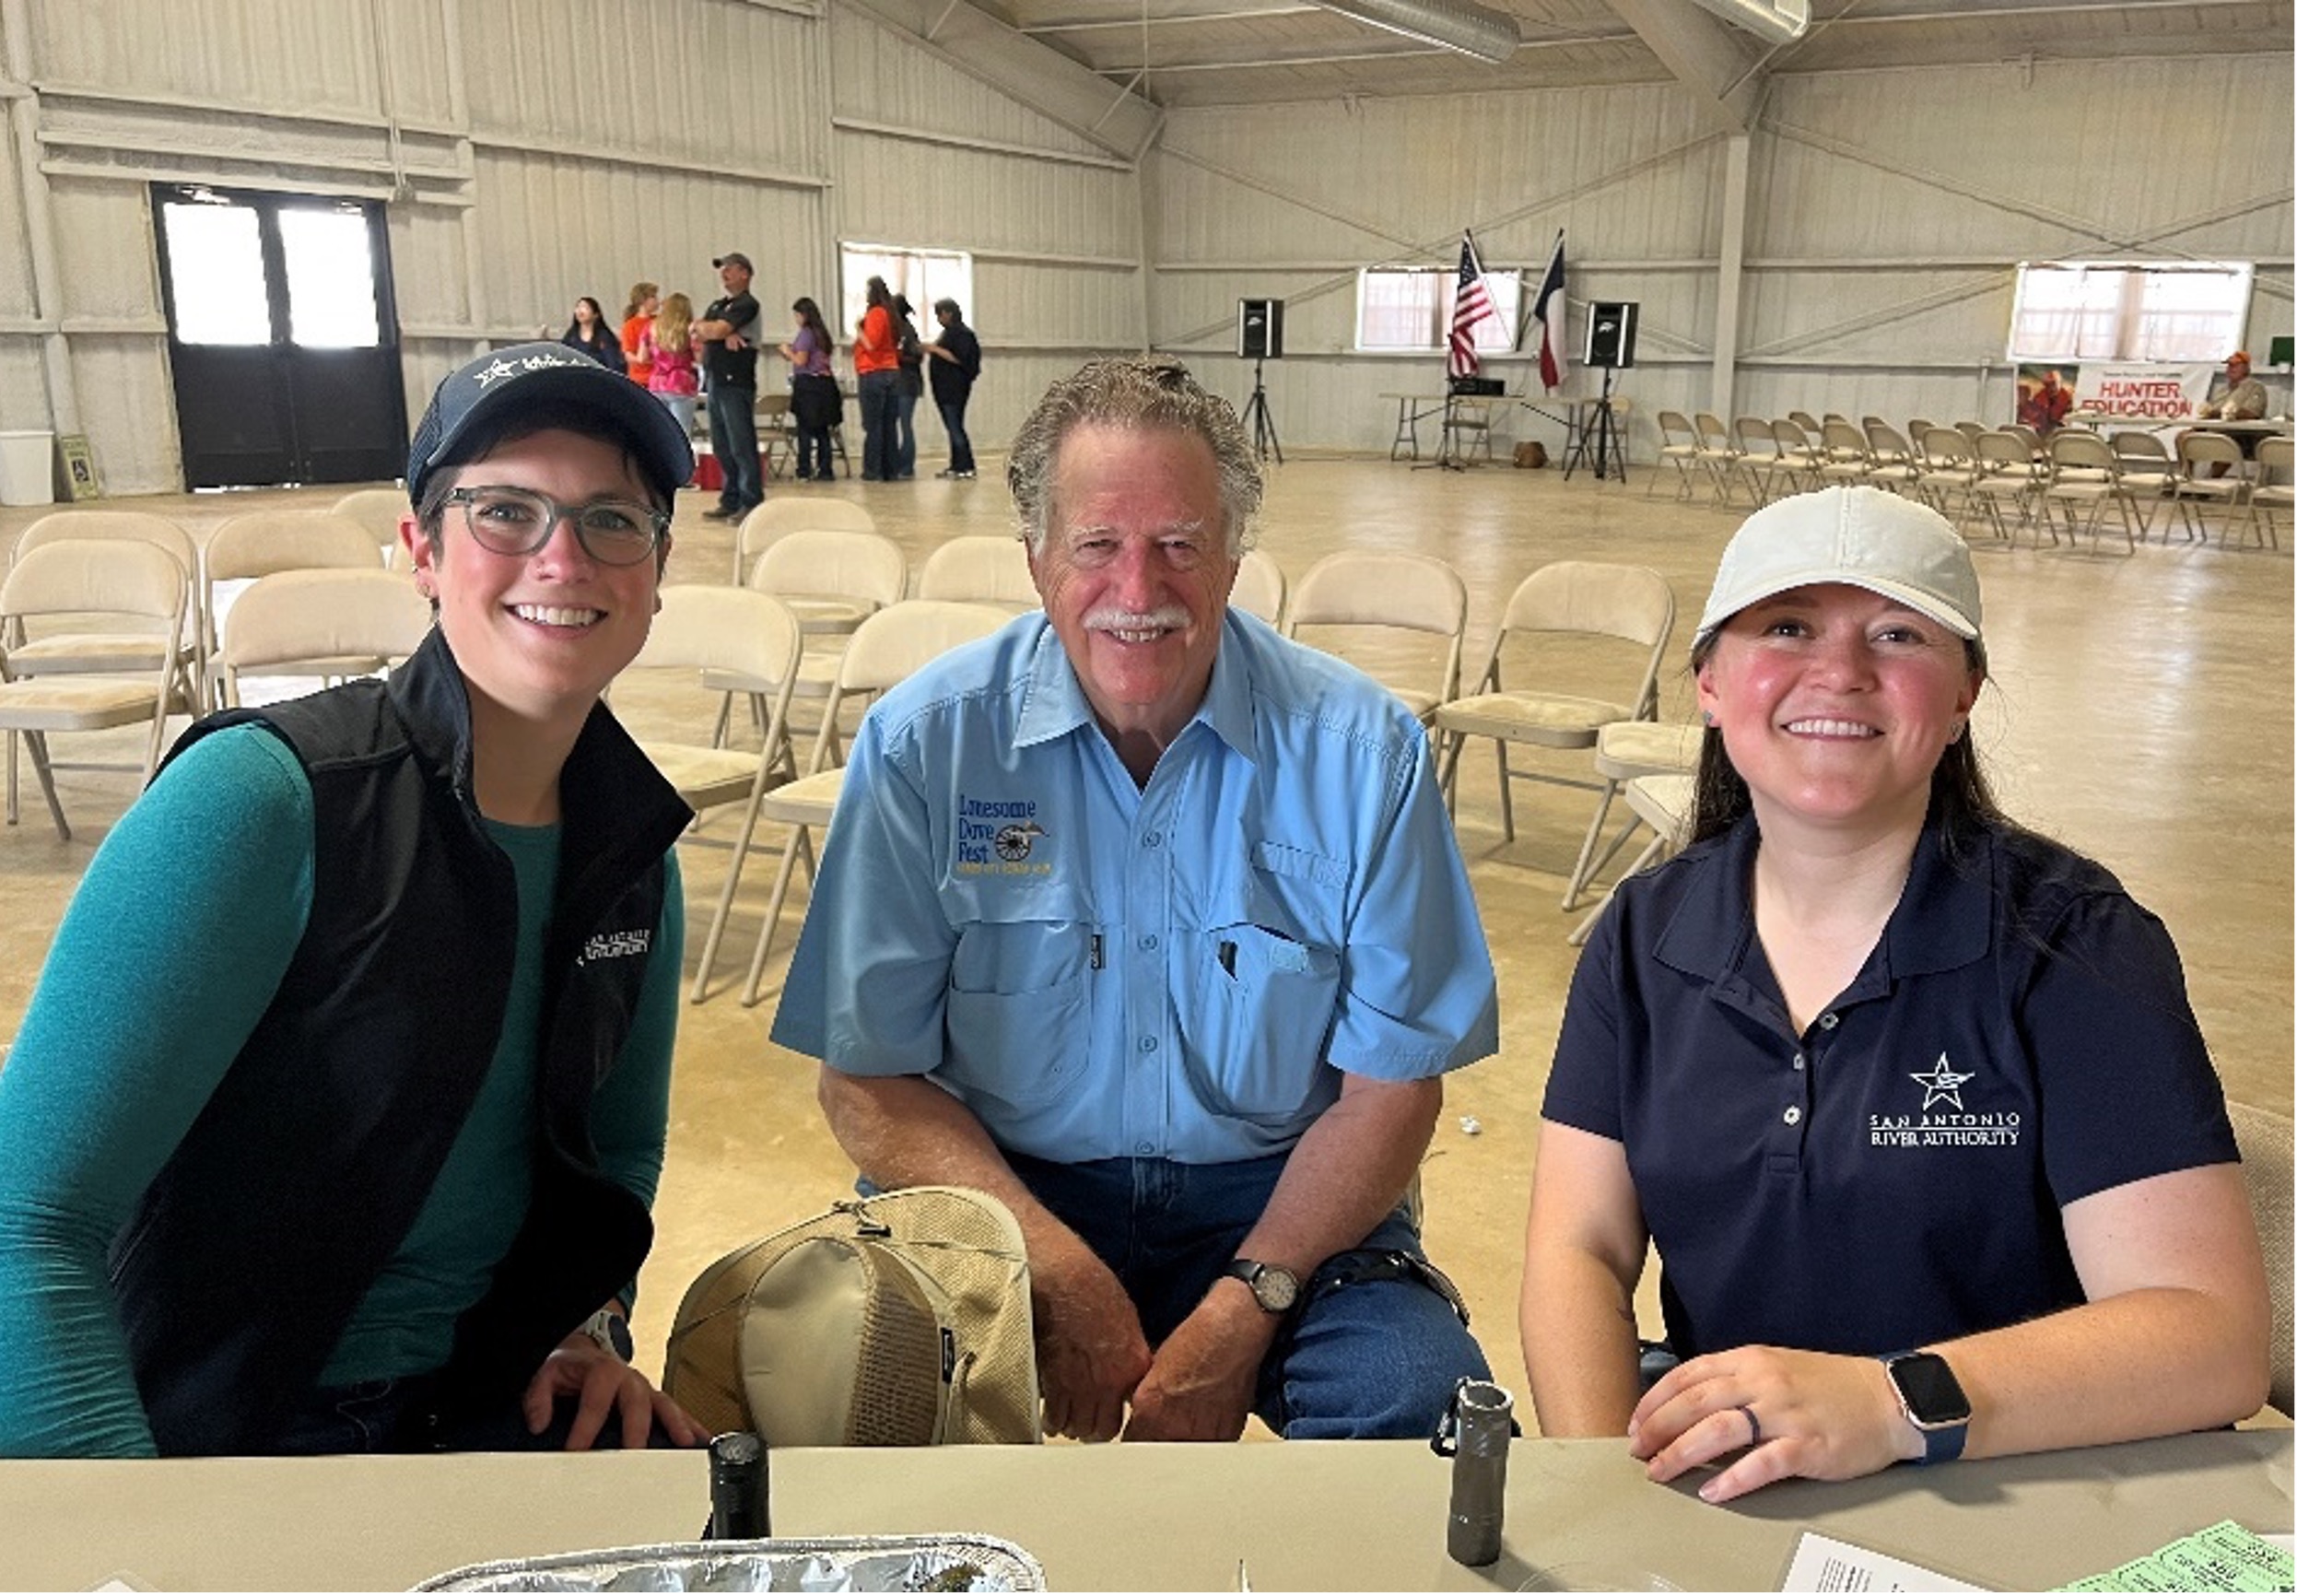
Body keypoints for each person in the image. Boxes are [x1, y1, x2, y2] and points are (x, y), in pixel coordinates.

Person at [0, 343, 710, 1460]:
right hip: (243, 1425)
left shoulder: (631, 848)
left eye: (611, 519)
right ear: (421, 550)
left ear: (657, 573)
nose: (562, 557)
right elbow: (28, 1223)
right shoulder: (262, 803)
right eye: (506, 511)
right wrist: (125, 1551)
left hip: (491, 1402)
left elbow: (614, 1154)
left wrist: (587, 1320)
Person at [772, 356, 1500, 1445]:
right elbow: (867, 1081)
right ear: (1035, 560)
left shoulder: (1361, 753)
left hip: (1281, 1207)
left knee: (1424, 1416)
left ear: (1234, 556)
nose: (1139, 592)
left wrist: (1254, 1295)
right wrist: (1054, 1265)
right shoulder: (930, 746)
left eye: (1179, 545)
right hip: (1004, 1195)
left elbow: (1391, 1093)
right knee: (834, 1396)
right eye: (1097, 546)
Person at [1518, 486, 2269, 1505]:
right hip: (1745, 1481)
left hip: (2029, 1481)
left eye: (1897, 633)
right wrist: (1614, 1497)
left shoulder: (2073, 944)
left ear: (1963, 694)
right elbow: (1581, 1251)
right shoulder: (1646, 934)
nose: (1841, 672)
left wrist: (1889, 1402)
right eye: (1787, 627)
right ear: (1708, 681)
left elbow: (2208, 1335)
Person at [694, 252, 764, 522]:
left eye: (730, 268)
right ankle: (730, 498)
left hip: (736, 382)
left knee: (741, 444)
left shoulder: (748, 304)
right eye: (722, 269)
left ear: (744, 273)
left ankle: (750, 501)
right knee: (722, 445)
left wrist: (720, 331)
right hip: (715, 381)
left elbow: (715, 331)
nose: (724, 273)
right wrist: (715, 329)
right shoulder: (717, 305)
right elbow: (702, 330)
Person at [779, 296, 841, 482]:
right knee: (822, 430)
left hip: (809, 386)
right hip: (825, 385)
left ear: (804, 315)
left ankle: (804, 468)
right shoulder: (822, 333)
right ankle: (825, 468)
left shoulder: (806, 333)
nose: (796, 319)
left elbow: (801, 360)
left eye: (797, 315)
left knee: (805, 429)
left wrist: (787, 351)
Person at [927, 297, 982, 479]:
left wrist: (935, 350)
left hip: (954, 388)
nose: (938, 318)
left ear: (949, 313)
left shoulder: (962, 334)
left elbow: (959, 358)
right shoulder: (949, 333)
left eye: (940, 314)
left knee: (955, 426)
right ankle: (956, 464)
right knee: (952, 427)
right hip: (945, 388)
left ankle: (967, 465)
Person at [851, 276, 899, 483]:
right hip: (891, 370)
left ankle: (873, 470)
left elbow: (870, 344)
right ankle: (890, 469)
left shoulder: (876, 313)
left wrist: (858, 328)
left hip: (874, 371)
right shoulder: (891, 315)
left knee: (873, 425)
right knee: (889, 424)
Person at [642, 291, 700, 439]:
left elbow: (642, 357)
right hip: (681, 383)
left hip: (657, 383)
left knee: (659, 432)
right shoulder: (689, 329)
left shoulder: (650, 327)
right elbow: (699, 358)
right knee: (682, 433)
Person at [891, 293, 925, 480]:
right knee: (899, 424)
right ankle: (898, 463)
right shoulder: (898, 329)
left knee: (905, 425)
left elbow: (917, 356)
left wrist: (899, 358)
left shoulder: (906, 331)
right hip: (899, 382)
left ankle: (906, 465)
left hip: (907, 383)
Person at [2195, 350, 2268, 422]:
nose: (2231, 368)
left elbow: (2252, 413)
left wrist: (2225, 413)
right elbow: (2210, 412)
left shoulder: (2255, 388)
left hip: (2240, 430)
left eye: (2236, 365)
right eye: (2229, 365)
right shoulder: (2222, 390)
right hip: (2216, 428)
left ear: (2246, 368)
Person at [560, 296, 626, 375]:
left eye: (586, 308)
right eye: (578, 307)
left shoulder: (604, 337)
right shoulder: (571, 336)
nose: (580, 311)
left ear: (596, 315)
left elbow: (613, 364)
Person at [620, 282, 659, 388]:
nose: (657, 300)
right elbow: (628, 354)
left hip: (659, 377)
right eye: (653, 297)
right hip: (641, 378)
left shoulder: (659, 320)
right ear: (643, 300)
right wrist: (642, 359)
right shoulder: (630, 325)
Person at [2017, 368, 2070, 435]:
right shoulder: (2039, 397)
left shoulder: (2066, 396)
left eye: (2053, 383)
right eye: (2048, 384)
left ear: (2060, 383)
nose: (2051, 387)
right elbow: (2035, 416)